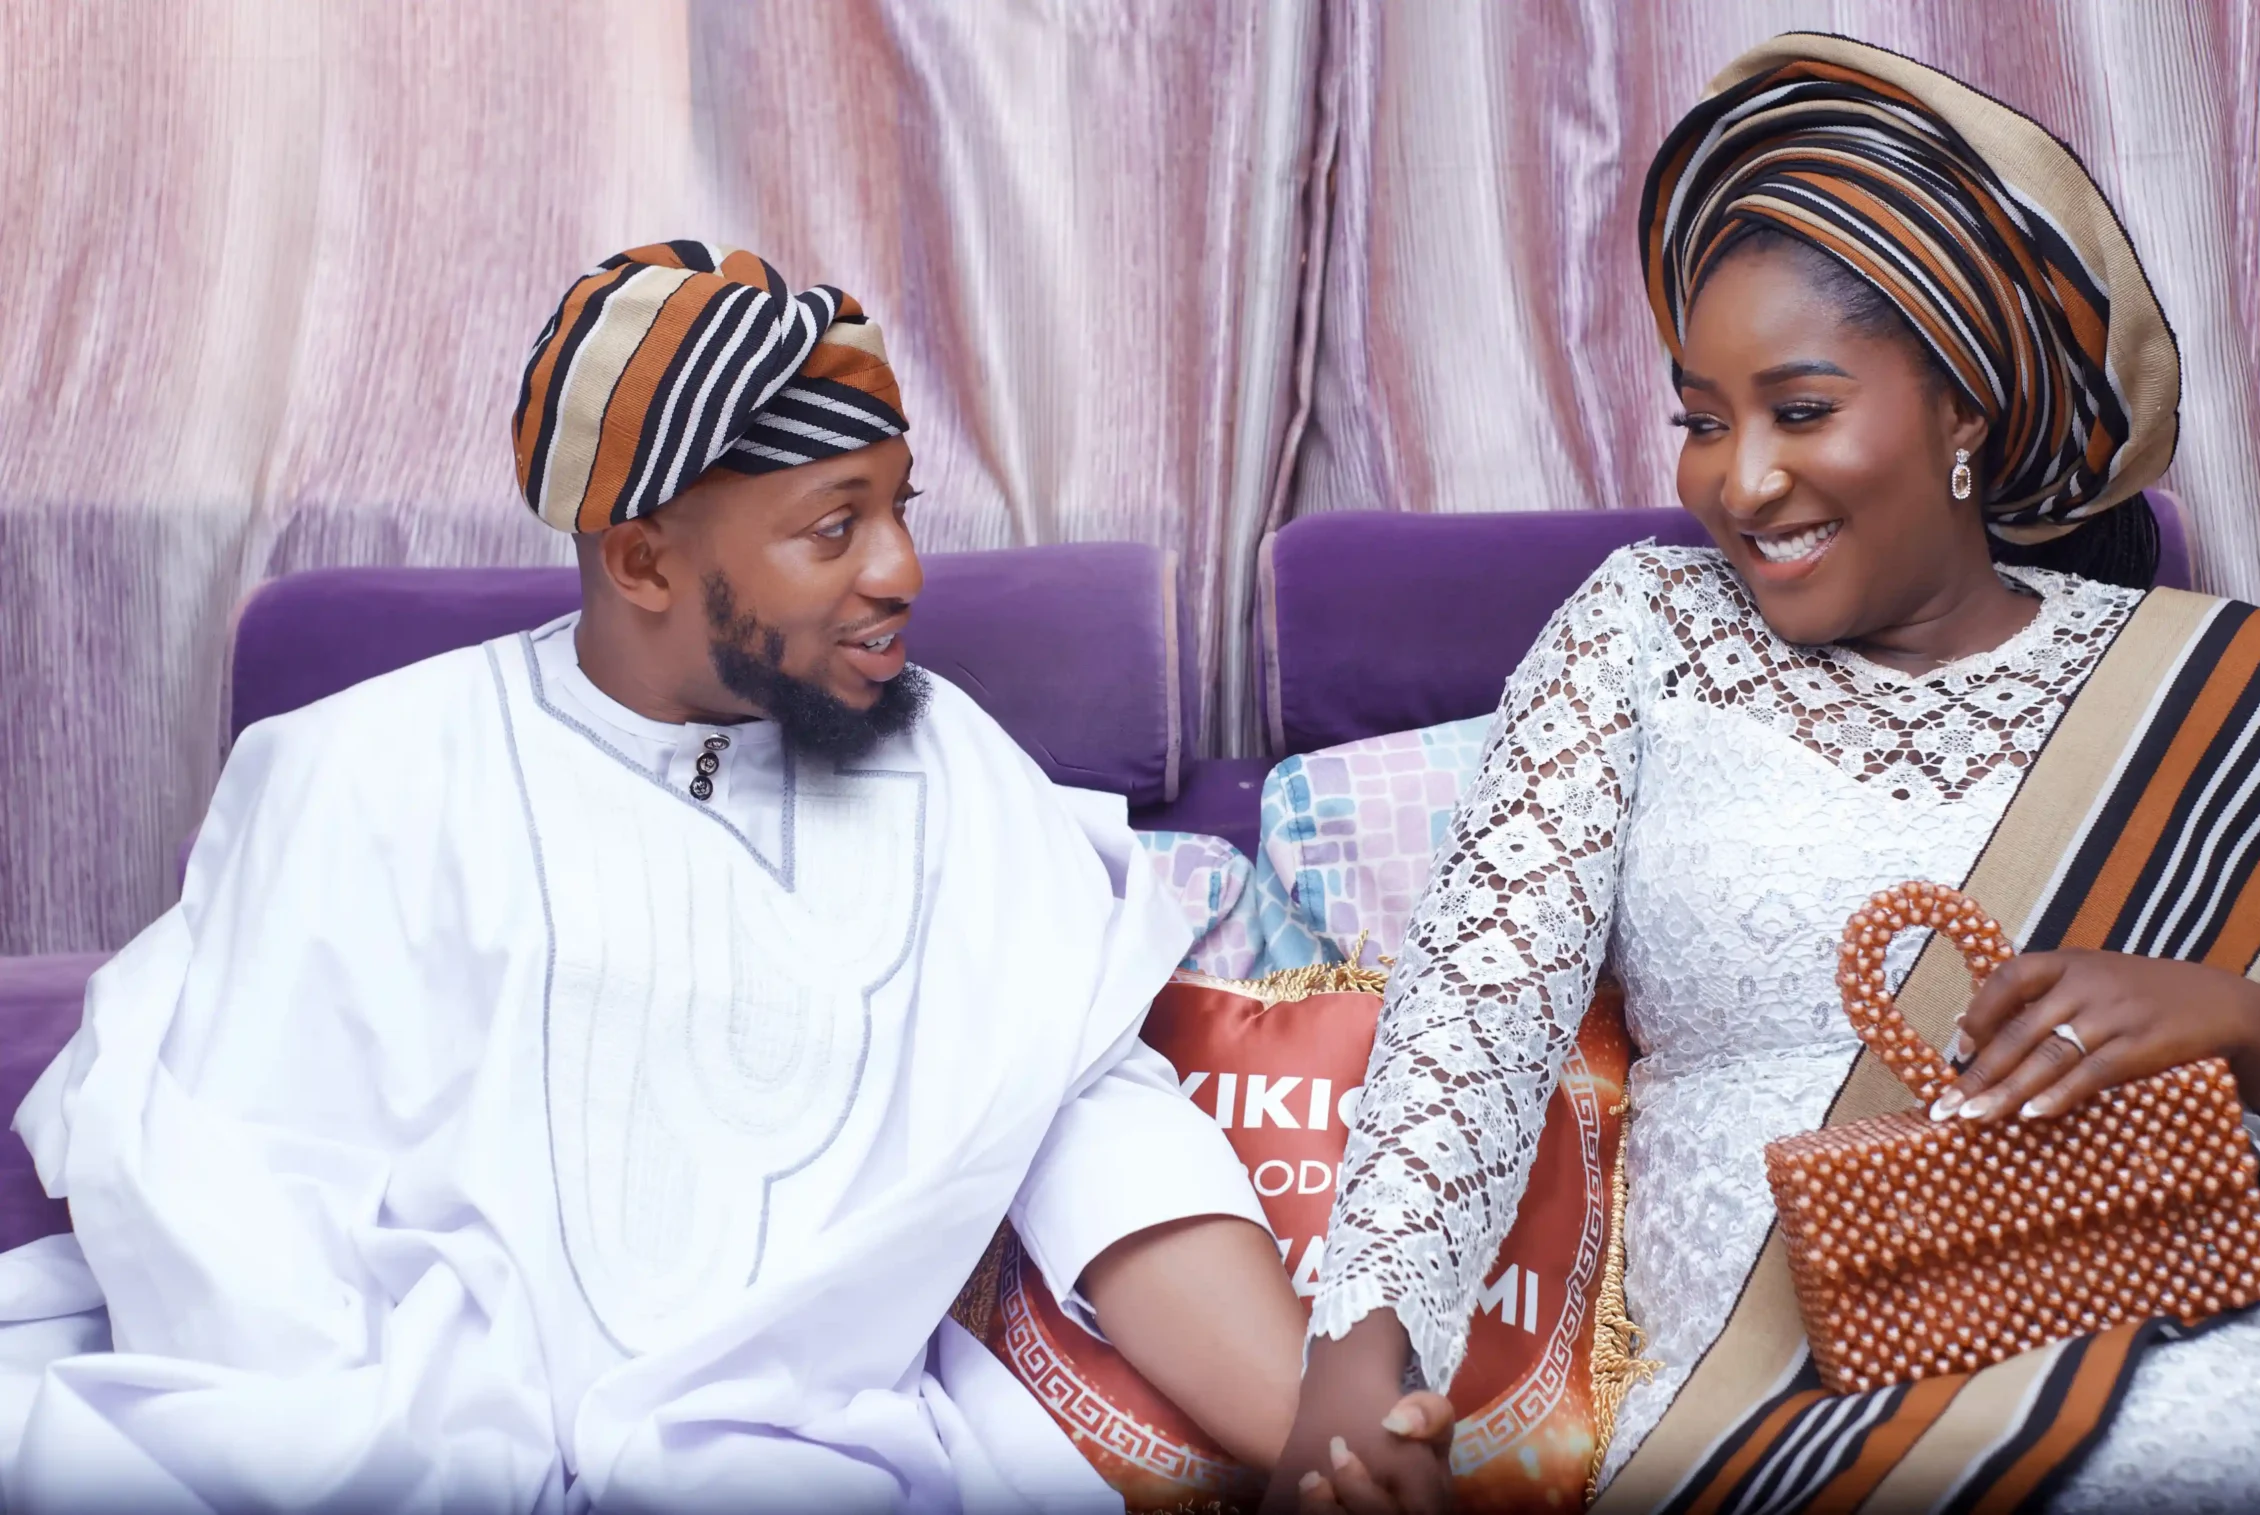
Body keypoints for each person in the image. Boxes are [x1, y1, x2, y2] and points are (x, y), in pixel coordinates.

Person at [1274, 35, 2260, 1515]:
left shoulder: (2211, 691)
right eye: (1703, 420)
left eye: (1802, 410)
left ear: (1964, 413)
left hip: (2194, 1383)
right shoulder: (1641, 629)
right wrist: (1359, 1366)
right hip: (1771, 1401)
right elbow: (1470, 1032)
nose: (1742, 480)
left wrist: (2242, 1023)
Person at [0, 241, 1319, 1513]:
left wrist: (1325, 1442)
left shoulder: (950, 766)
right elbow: (232, 1215)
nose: (902, 572)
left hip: (810, 1459)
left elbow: (1091, 1116)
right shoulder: (362, 772)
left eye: (899, 508)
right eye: (834, 527)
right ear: (642, 560)